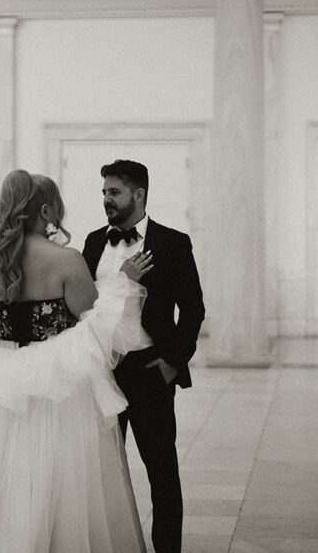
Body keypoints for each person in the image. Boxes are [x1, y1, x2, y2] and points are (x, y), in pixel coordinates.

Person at [0, 170, 155, 553]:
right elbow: (93, 325)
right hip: (61, 394)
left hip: (9, 393)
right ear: (46, 210)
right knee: (66, 483)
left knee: (4, 479)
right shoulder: (67, 261)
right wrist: (120, 283)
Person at [81, 160, 205, 553]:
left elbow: (193, 308)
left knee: (162, 471)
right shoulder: (92, 242)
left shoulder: (172, 242)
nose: (106, 200)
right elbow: (83, 303)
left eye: (114, 192)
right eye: (103, 192)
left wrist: (174, 362)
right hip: (103, 372)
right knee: (102, 473)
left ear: (138, 194)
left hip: (150, 370)